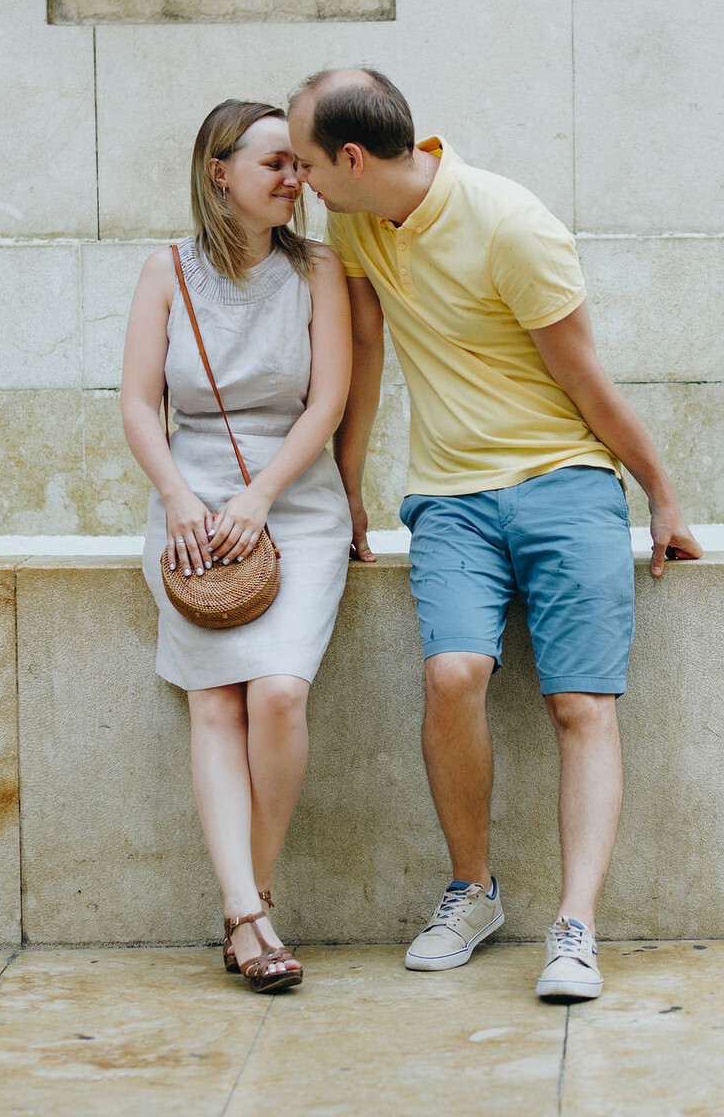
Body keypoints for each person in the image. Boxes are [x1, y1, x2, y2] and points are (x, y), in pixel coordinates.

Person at [287, 68, 702, 1001]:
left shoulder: (513, 227)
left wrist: (663, 495)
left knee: (579, 705)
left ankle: (575, 928)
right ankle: (472, 892)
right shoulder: (355, 223)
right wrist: (347, 490)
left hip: (567, 484)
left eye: (309, 163)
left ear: (351, 158)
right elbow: (365, 356)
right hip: (451, 498)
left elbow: (588, 380)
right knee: (452, 673)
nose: (302, 182)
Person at [119, 99, 353, 993]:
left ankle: (244, 895)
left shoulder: (320, 270)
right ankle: (251, 919)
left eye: (300, 165)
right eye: (276, 165)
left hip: (292, 501)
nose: (296, 179)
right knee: (214, 704)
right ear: (220, 174)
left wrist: (260, 497)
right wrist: (180, 498)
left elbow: (326, 401)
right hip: (192, 508)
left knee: (280, 695)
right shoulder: (165, 272)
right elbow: (142, 403)